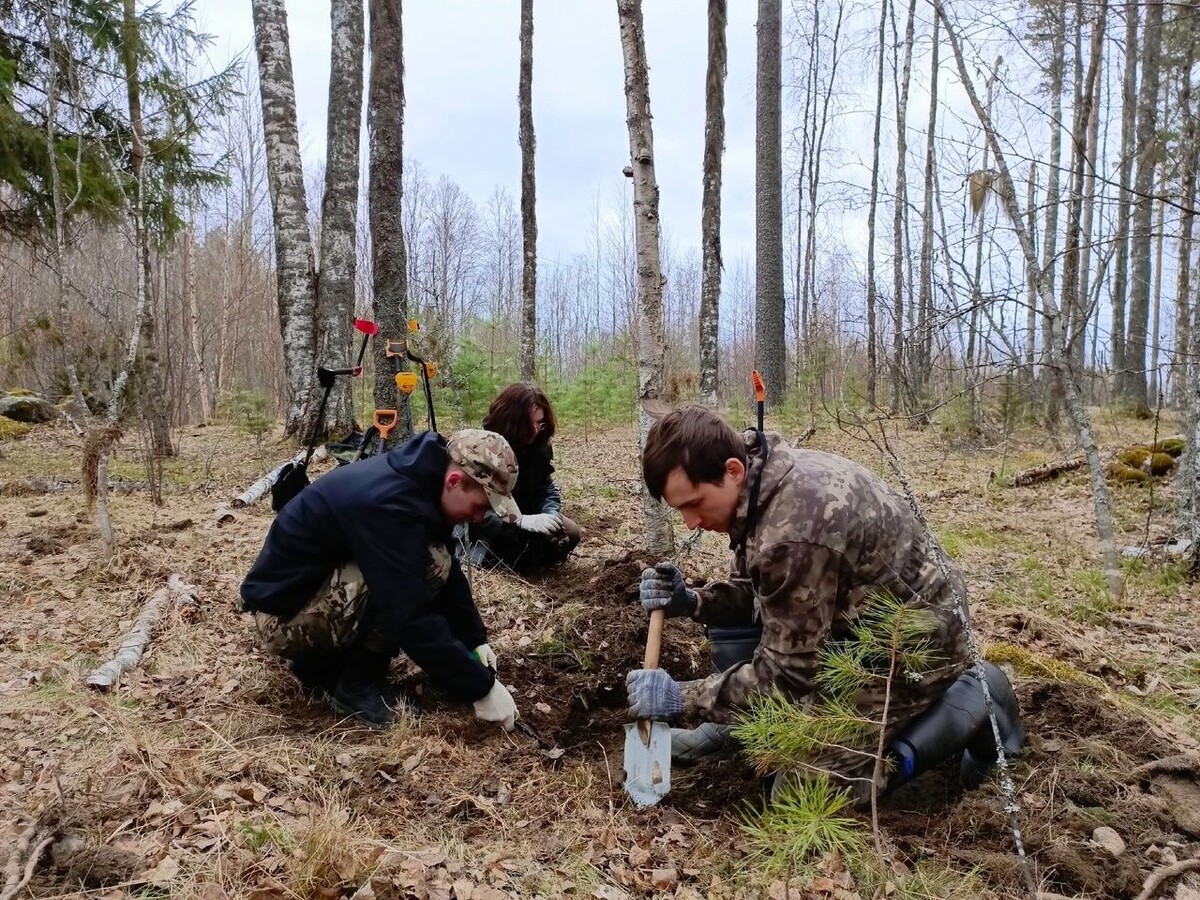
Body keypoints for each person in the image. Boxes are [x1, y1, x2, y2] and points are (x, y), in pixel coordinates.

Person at [625, 406, 1024, 802]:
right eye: (680, 510)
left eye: (694, 504)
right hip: (850, 630)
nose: (690, 523)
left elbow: (787, 675)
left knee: (802, 792)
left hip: (914, 647)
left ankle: (975, 695)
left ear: (732, 470)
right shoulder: (761, 478)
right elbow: (762, 592)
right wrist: (694, 602)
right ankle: (733, 727)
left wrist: (683, 697)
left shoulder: (793, 528)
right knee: (754, 683)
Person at [240, 428, 522, 732]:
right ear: (454, 481)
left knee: (434, 559)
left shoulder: (421, 484)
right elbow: (409, 615)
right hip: (283, 619)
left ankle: (322, 666)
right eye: (479, 506)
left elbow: (450, 572)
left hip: (307, 592)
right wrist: (480, 687)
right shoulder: (391, 505)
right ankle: (356, 686)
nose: (479, 518)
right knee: (422, 568)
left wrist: (474, 639)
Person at [462, 383, 581, 571]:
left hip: (527, 518)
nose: (534, 431)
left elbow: (546, 488)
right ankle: (510, 562)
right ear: (509, 419)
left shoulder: (539, 446)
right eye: (527, 424)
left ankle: (527, 561)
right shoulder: (481, 447)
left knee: (569, 531)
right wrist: (518, 521)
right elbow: (467, 509)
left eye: (540, 423)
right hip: (491, 526)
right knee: (490, 547)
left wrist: (550, 515)